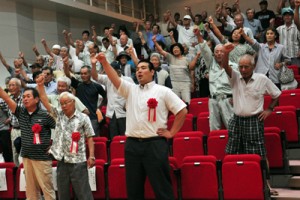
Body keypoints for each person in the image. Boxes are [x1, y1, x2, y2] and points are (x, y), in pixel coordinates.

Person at [96, 53, 187, 200]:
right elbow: (115, 79)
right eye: (137, 68)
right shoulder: (131, 89)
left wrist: (172, 132)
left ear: (152, 72)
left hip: (155, 144)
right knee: (133, 190)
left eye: (143, 68)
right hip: (132, 145)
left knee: (162, 189)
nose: (139, 71)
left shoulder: (163, 91)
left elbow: (182, 110)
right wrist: (104, 62)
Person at [221, 43, 281, 196]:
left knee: (259, 155)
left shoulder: (262, 79)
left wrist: (269, 109)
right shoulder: (235, 77)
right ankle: (236, 185)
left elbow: (277, 94)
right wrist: (226, 53)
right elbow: (225, 66)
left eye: (246, 67)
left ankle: (266, 186)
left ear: (253, 67)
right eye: (240, 66)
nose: (242, 69)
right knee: (231, 154)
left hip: (254, 121)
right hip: (236, 120)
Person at [36, 75, 95, 200]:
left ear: (73, 102)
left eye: (66, 103)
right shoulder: (58, 114)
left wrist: (92, 156)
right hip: (61, 159)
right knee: (63, 193)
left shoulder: (84, 118)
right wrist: (40, 86)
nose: (63, 106)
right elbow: (44, 100)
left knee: (83, 193)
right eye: (61, 103)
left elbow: (90, 137)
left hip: (77, 160)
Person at [0, 86, 56, 200]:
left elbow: (60, 129)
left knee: (47, 189)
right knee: (30, 191)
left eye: (28, 96)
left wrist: (54, 147)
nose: (25, 99)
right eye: (24, 97)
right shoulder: (21, 112)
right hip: (27, 157)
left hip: (42, 158)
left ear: (36, 99)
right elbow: (6, 98)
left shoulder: (45, 115)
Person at [195, 29, 236, 131]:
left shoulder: (234, 66)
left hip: (227, 99)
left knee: (232, 128)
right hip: (213, 100)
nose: (218, 54)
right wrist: (198, 35)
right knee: (214, 129)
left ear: (226, 53)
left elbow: (239, 84)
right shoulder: (211, 64)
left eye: (221, 51)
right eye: (216, 52)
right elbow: (204, 49)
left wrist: (237, 97)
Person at [91, 59, 134, 139]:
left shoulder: (128, 80)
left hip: (124, 114)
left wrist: (128, 103)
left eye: (111, 70)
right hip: (112, 113)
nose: (109, 72)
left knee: (125, 137)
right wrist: (93, 64)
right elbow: (95, 76)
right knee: (113, 138)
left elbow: (134, 94)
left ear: (118, 71)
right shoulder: (107, 78)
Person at [64, 61, 106, 136]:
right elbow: (67, 74)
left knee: (94, 139)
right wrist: (65, 63)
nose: (83, 75)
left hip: (92, 118)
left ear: (90, 74)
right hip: (79, 118)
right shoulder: (78, 85)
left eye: (85, 73)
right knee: (79, 140)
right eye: (81, 74)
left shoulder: (97, 86)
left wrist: (99, 107)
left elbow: (106, 96)